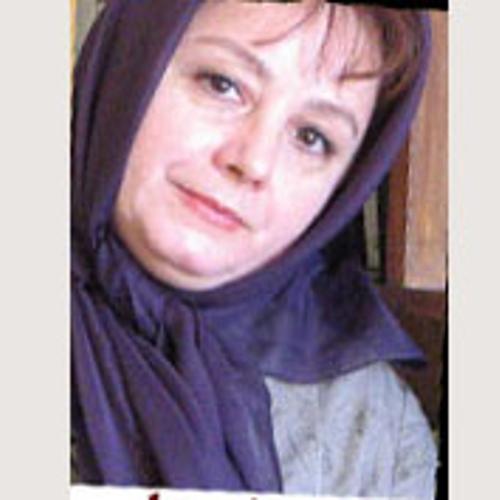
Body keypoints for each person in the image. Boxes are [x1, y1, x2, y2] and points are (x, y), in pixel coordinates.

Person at [71, 0, 438, 497]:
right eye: (222, 84)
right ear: (129, 63)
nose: (254, 161)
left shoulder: (375, 434)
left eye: (311, 137)